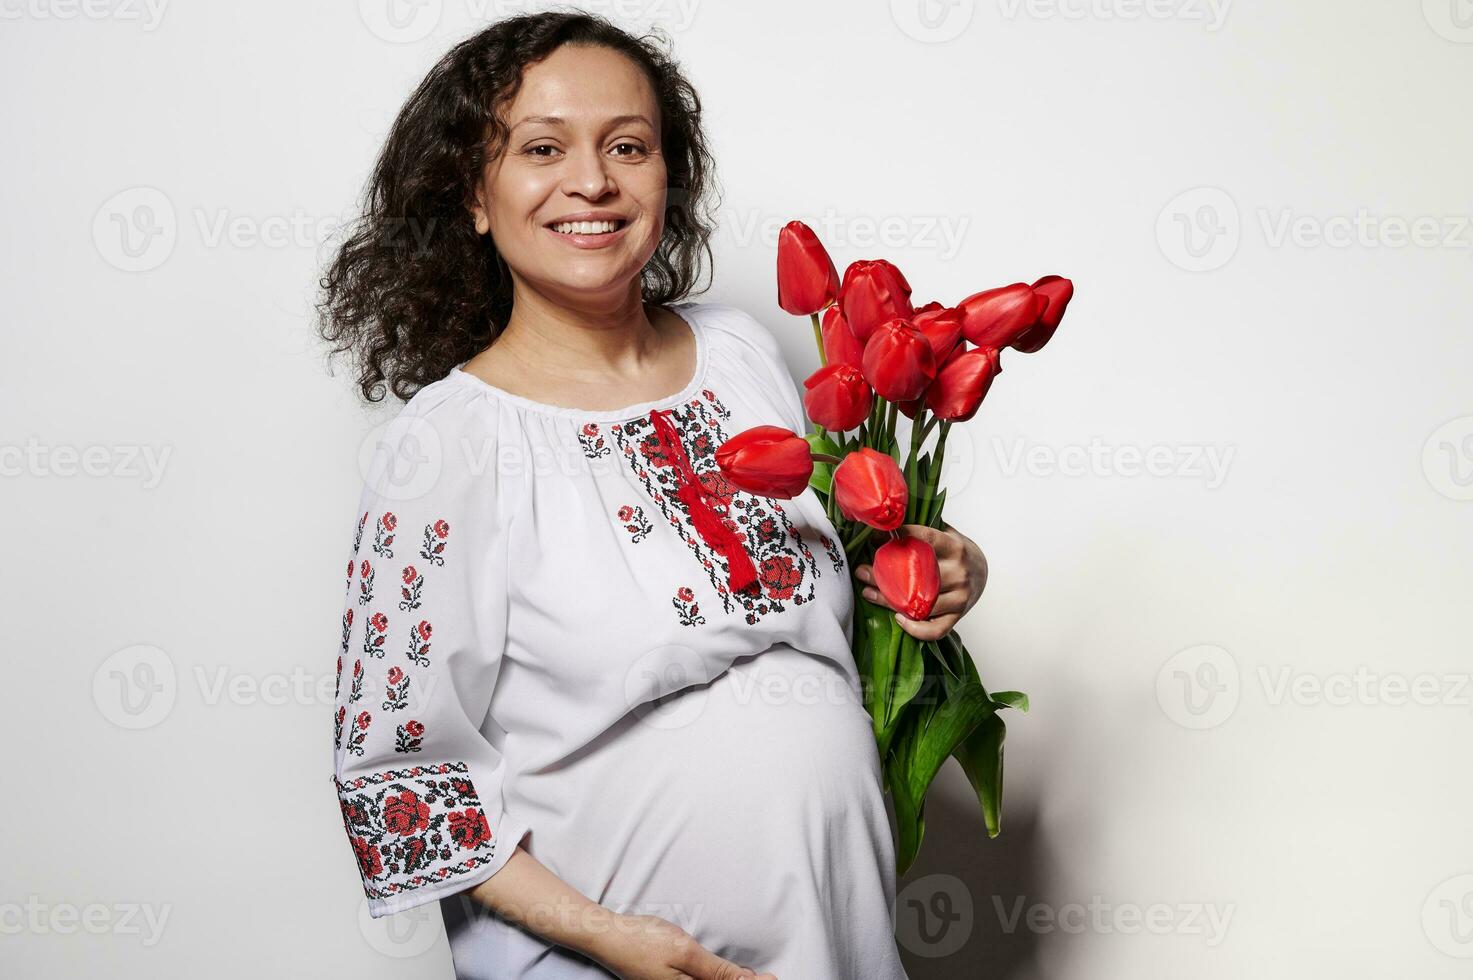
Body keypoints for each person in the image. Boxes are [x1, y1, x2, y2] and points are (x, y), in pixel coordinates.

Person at [318, 12, 988, 979]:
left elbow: (817, 571)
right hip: (613, 960)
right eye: (541, 148)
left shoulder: (740, 354)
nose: (591, 182)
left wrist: (943, 565)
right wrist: (609, 940)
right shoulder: (446, 444)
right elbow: (395, 781)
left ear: (667, 176)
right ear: (472, 193)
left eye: (626, 146)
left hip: (834, 936)